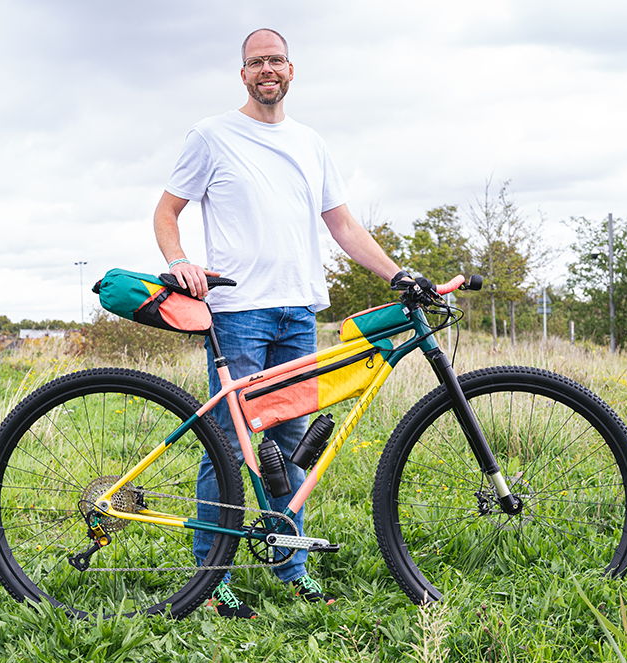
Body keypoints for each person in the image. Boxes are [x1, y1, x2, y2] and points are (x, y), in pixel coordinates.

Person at [153, 28, 405, 619]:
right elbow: (167, 212)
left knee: (289, 447)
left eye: (276, 60)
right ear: (243, 74)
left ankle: (289, 565)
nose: (267, 69)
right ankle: (210, 577)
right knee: (228, 449)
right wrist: (179, 261)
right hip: (238, 314)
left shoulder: (310, 142)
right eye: (255, 62)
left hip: (299, 313)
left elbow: (343, 226)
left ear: (292, 70)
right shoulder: (211, 136)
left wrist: (398, 273)